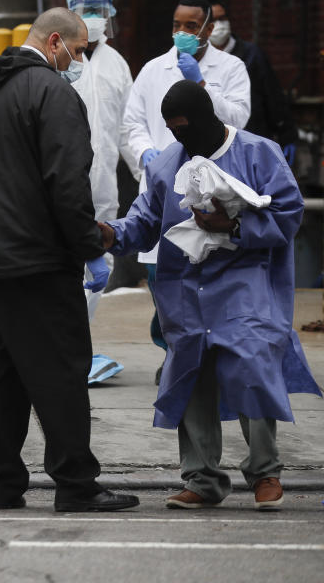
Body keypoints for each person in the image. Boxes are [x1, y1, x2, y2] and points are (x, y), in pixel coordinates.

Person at [0, 7, 139, 513]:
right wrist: (91, 250)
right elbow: (67, 184)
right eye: (77, 51)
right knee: (60, 374)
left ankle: (2, 485)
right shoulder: (54, 94)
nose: (79, 61)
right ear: (55, 42)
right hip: (35, 260)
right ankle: (76, 485)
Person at [102, 80, 322, 510]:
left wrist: (235, 227)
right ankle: (202, 479)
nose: (181, 138)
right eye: (173, 130)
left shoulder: (258, 153)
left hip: (246, 280)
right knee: (190, 371)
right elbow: (145, 218)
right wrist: (112, 233)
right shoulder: (169, 164)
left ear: (206, 117)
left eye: (185, 127)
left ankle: (265, 472)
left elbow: (289, 213)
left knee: (251, 359)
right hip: (186, 286)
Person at [123, 0, 251, 384]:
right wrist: (147, 155)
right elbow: (132, 124)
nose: (181, 33)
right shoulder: (151, 70)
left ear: (209, 29)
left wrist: (200, 83)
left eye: (191, 26)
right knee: (164, 279)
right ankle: (173, 351)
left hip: (210, 189)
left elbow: (239, 119)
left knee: (204, 277)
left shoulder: (231, 68)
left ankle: (202, 354)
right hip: (162, 188)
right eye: (177, 25)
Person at [65, 0, 136, 383]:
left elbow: (126, 129)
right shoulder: (57, 57)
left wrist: (150, 175)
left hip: (102, 188)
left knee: (97, 267)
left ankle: (78, 350)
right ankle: (57, 350)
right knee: (59, 265)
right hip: (59, 185)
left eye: (99, 11)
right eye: (86, 10)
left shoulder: (116, 64)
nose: (94, 19)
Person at [209, 2, 298, 165]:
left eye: (223, 18)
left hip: (252, 142)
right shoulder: (200, 61)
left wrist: (287, 134)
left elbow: (273, 96)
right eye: (214, 20)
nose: (220, 24)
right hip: (214, 149)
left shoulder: (252, 56)